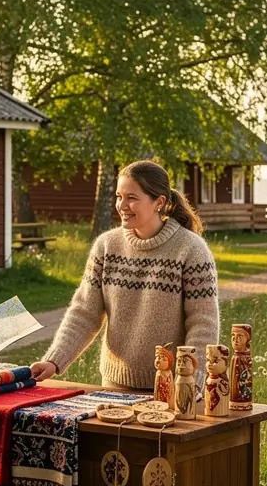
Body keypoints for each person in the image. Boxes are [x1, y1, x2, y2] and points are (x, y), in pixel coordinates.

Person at [32, 160, 219, 392]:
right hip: (114, 385)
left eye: (131, 198)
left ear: (159, 202)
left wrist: (192, 380)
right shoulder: (106, 246)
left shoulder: (191, 250)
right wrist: (53, 360)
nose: (122, 205)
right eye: (119, 196)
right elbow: (84, 313)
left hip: (172, 387)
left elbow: (203, 322)